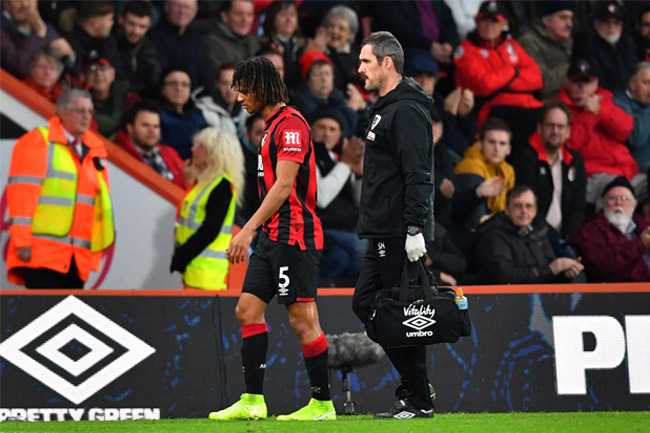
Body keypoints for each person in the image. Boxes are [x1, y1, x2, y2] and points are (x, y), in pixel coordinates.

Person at [208, 57, 335, 422]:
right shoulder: (270, 126)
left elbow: (284, 186)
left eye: (245, 90)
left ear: (262, 87)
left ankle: (322, 404)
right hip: (272, 235)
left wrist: (247, 229)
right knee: (247, 310)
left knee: (302, 320)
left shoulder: (291, 125)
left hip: (294, 234)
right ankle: (252, 401)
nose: (240, 98)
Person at [353, 31, 435, 419]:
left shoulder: (406, 111)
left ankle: (418, 398)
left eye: (365, 61)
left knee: (403, 314)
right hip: (384, 229)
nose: (359, 69)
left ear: (387, 63)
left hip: (399, 231)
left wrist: (415, 228)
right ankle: (417, 387)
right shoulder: (387, 108)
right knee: (367, 304)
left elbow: (418, 173)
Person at [6, 88, 114, 289]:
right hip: (41, 255)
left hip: (76, 260)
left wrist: (94, 253)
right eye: (80, 111)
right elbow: (22, 195)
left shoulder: (96, 152)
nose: (86, 116)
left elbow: (99, 208)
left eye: (90, 111)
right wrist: (22, 241)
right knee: (44, 309)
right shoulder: (40, 141)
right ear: (63, 112)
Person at [454, 0, 543, 150]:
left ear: (503, 24)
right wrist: (513, 70)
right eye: (484, 20)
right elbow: (484, 85)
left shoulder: (511, 45)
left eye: (494, 21)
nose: (489, 26)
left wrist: (501, 83)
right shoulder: (466, 49)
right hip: (491, 110)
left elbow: (537, 79)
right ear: (477, 22)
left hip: (527, 104)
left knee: (553, 118)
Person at [556, 56, 642, 204]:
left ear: (596, 83)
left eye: (587, 81)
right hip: (595, 176)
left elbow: (626, 130)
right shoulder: (559, 108)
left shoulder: (605, 99)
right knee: (618, 192)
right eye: (577, 81)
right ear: (567, 82)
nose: (582, 86)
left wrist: (600, 111)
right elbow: (570, 146)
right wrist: (590, 114)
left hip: (627, 171)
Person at [170, 127, 244, 289]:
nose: (193, 149)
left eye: (200, 146)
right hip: (196, 269)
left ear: (214, 153)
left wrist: (182, 256)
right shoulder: (205, 182)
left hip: (207, 275)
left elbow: (210, 230)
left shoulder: (221, 186)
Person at [475, 185, 584, 284]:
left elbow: (547, 276)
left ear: (535, 211)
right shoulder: (494, 236)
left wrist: (564, 274)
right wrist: (552, 269)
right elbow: (506, 277)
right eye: (517, 206)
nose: (524, 211)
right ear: (507, 210)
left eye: (529, 206)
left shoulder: (539, 232)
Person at [510, 102, 587, 239]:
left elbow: (578, 205)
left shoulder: (575, 160)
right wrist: (554, 241)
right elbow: (529, 205)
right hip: (534, 235)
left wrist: (570, 237)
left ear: (568, 131)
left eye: (560, 126)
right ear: (539, 128)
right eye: (550, 125)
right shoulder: (525, 158)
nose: (555, 131)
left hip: (565, 237)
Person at [309, 107, 366, 286]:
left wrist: (359, 175)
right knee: (365, 247)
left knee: (340, 258)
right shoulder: (306, 157)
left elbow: (361, 203)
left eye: (332, 129)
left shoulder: (337, 160)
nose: (327, 133)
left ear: (340, 135)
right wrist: (346, 163)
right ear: (310, 129)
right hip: (319, 229)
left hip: (347, 231)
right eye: (321, 127)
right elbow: (322, 198)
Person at [568, 176, 650, 282]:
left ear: (634, 205)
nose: (619, 203)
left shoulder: (643, 226)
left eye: (624, 199)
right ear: (603, 203)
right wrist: (640, 243)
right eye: (612, 198)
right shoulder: (590, 231)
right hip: (621, 290)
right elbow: (602, 265)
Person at [452, 118, 515, 234]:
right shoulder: (471, 166)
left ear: (509, 149)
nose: (497, 149)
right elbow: (476, 220)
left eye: (502, 144)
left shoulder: (508, 170)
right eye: (491, 142)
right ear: (480, 144)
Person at [115, 102, 188, 189]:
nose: (152, 131)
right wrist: (186, 179)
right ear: (130, 128)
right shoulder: (121, 156)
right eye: (145, 125)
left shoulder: (169, 152)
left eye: (156, 126)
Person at [573, 0, 638, 94]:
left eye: (616, 23)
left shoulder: (628, 45)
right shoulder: (584, 45)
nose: (611, 26)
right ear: (595, 23)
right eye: (606, 22)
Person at [1, 0, 75, 79]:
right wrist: (39, 34)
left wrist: (70, 56)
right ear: (6, 3)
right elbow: (18, 65)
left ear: (37, 3)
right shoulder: (2, 29)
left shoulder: (47, 29)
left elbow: (72, 69)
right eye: (18, 0)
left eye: (29, 0)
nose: (25, 4)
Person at [519, 1, 574, 102]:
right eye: (563, 18)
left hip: (573, 98)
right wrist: (574, 67)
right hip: (547, 104)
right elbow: (542, 85)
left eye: (571, 18)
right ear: (546, 20)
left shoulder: (570, 41)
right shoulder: (530, 43)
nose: (569, 24)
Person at [149, 0, 209, 90]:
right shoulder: (152, 38)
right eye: (177, 6)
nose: (182, 11)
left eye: (188, 7)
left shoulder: (198, 40)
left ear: (195, 11)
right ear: (167, 7)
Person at [156, 67, 207, 160]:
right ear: (163, 88)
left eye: (184, 84)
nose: (179, 88)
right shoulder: (155, 114)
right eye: (173, 83)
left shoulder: (198, 112)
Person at [113, 0, 161, 96]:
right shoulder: (109, 44)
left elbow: (154, 79)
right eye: (131, 24)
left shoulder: (149, 50)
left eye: (142, 26)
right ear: (121, 19)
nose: (136, 31)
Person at [204, 0, 259, 82]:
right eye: (238, 14)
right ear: (225, 16)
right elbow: (222, 79)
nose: (245, 20)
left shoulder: (254, 41)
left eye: (249, 14)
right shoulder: (212, 43)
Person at [613, 63, 650, 174]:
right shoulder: (619, 103)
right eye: (646, 83)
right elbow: (637, 139)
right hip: (638, 171)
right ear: (632, 84)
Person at [64, 1, 117, 76]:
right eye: (109, 19)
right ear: (95, 22)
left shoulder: (109, 42)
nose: (112, 23)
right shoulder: (71, 44)